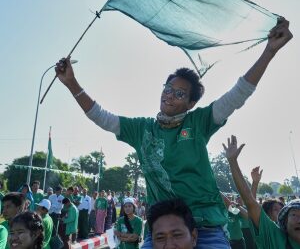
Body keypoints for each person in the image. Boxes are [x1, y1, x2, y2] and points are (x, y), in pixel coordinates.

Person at [56, 18, 292, 248]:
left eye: (179, 94)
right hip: (160, 230)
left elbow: (238, 94)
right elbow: (101, 117)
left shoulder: (199, 122)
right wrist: (71, 84)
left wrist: (269, 51)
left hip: (206, 228)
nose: (169, 95)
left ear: (190, 104)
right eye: (168, 89)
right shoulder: (142, 129)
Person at [223, 135, 300, 248]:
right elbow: (250, 203)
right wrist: (233, 162)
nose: (299, 220)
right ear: (284, 222)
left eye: (280, 209)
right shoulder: (275, 237)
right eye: (294, 214)